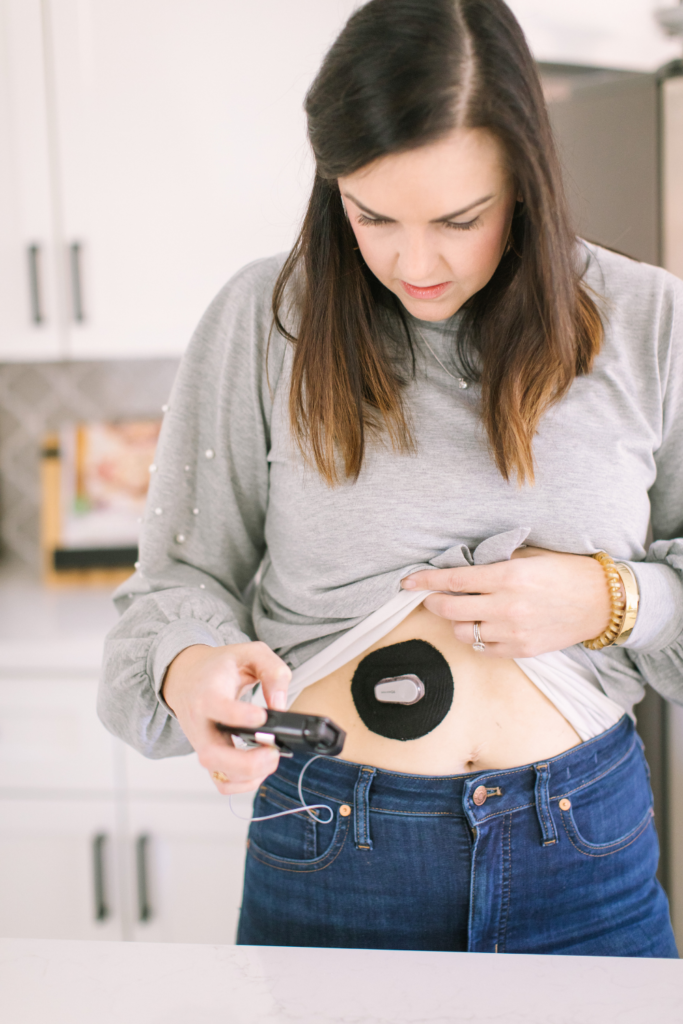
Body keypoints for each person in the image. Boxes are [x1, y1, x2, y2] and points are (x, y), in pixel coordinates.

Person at [99, 0, 683, 956]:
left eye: (461, 219)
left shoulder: (649, 324)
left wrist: (612, 600)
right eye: (371, 215)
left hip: (581, 852)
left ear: (525, 182)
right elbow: (174, 585)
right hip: (331, 850)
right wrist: (187, 670)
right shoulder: (264, 321)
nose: (415, 263)